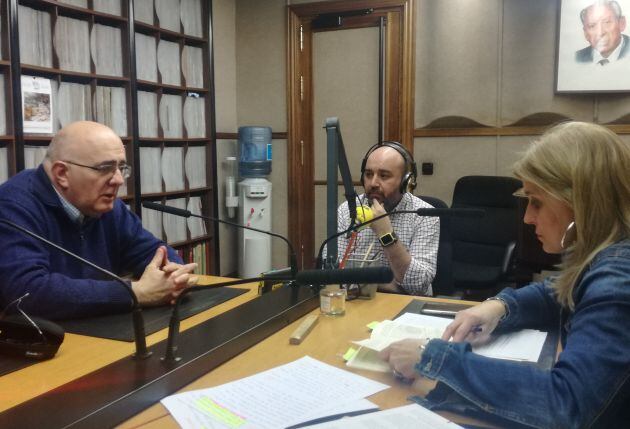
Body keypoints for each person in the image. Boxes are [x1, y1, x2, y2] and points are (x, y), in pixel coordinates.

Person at [379, 122, 630, 427]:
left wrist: (431, 358)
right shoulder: (609, 257)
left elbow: (566, 404)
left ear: (580, 203)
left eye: (536, 201)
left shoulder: (618, 279)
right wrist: (499, 307)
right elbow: (559, 291)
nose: (527, 217)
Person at [0, 121, 197, 320]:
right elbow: (26, 293)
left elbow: (153, 251)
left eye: (122, 167)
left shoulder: (105, 206)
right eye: (105, 168)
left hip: (100, 329)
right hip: (44, 340)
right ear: (62, 174)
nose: (119, 180)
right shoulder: (13, 206)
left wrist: (173, 273)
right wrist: (136, 293)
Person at [332, 141, 439, 296]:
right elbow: (335, 276)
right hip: (359, 302)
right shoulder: (348, 210)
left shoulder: (425, 214)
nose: (373, 183)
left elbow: (418, 286)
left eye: (384, 176)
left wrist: (386, 234)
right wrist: (388, 284)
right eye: (368, 174)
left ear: (406, 182)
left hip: (405, 307)